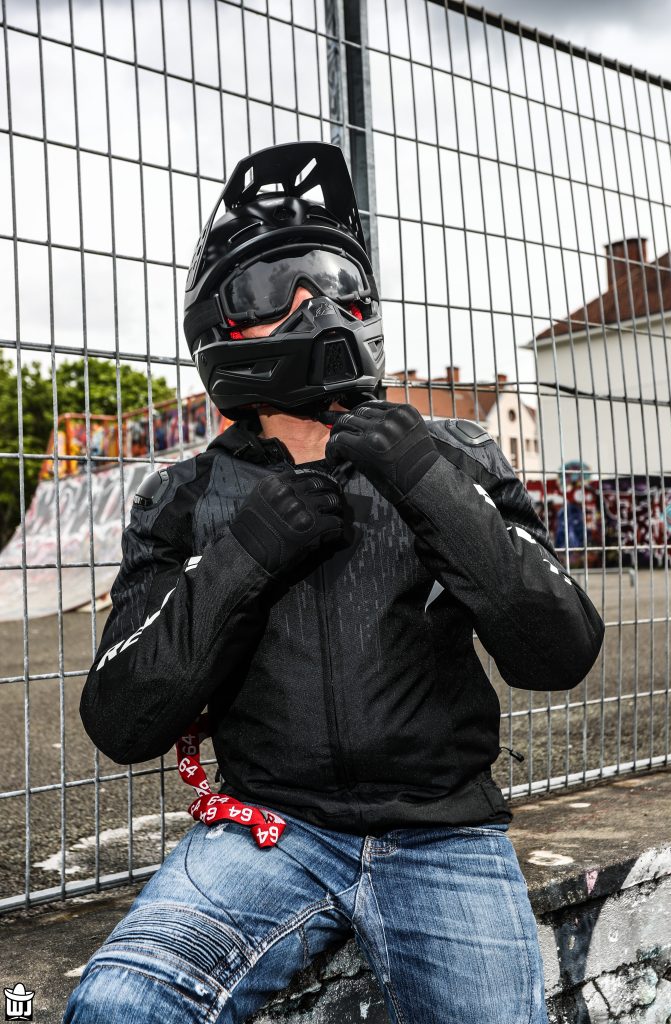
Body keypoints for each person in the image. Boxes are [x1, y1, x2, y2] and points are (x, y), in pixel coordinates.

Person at [64, 142, 605, 1023]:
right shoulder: (184, 496)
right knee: (118, 1005)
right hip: (269, 833)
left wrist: (426, 482)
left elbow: (560, 649)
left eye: (329, 279)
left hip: (444, 837)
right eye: (271, 290)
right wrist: (249, 550)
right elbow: (121, 715)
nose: (311, 305)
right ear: (219, 324)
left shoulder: (458, 456)